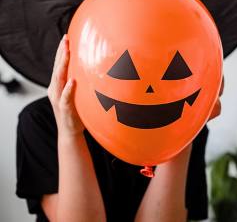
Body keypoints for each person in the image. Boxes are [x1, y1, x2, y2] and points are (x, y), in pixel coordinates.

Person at [16, 33, 223, 222]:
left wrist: (183, 134)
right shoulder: (40, 120)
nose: (148, 86)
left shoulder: (185, 119)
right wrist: (70, 133)